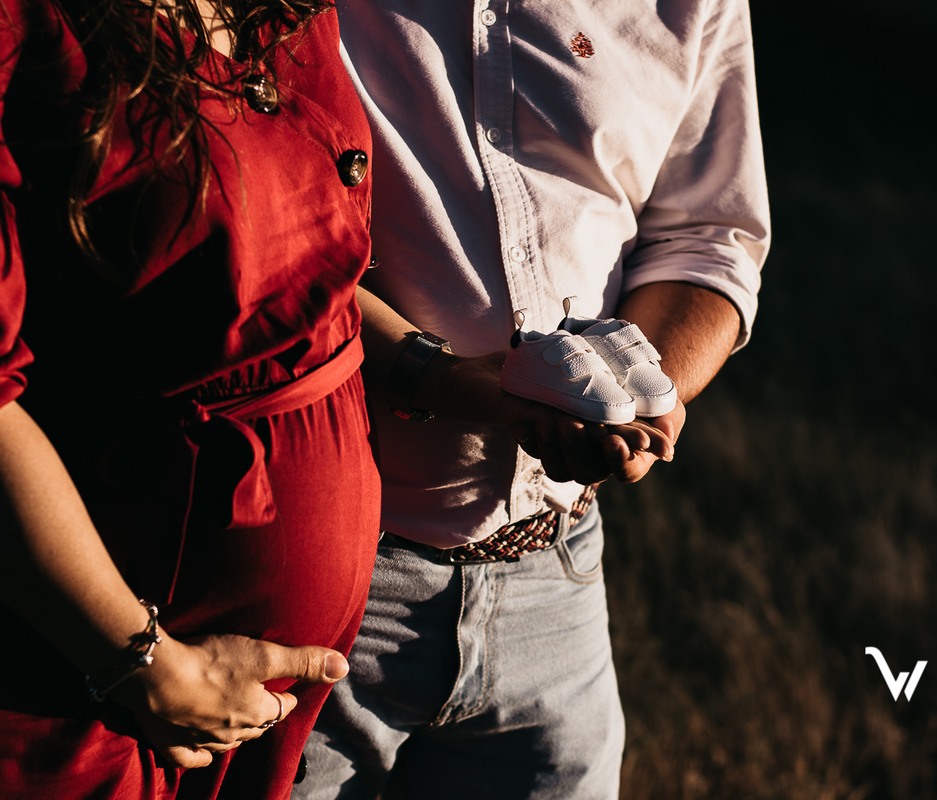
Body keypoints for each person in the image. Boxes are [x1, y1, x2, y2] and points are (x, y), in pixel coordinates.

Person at [0, 1, 380, 798]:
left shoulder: (283, 9)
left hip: (238, 709)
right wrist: (143, 667)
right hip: (54, 684)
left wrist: (449, 378)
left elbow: (313, 285)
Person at [294, 0, 770, 798]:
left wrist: (643, 389)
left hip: (556, 578)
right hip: (329, 565)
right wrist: (444, 381)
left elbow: (708, 231)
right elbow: (264, 241)